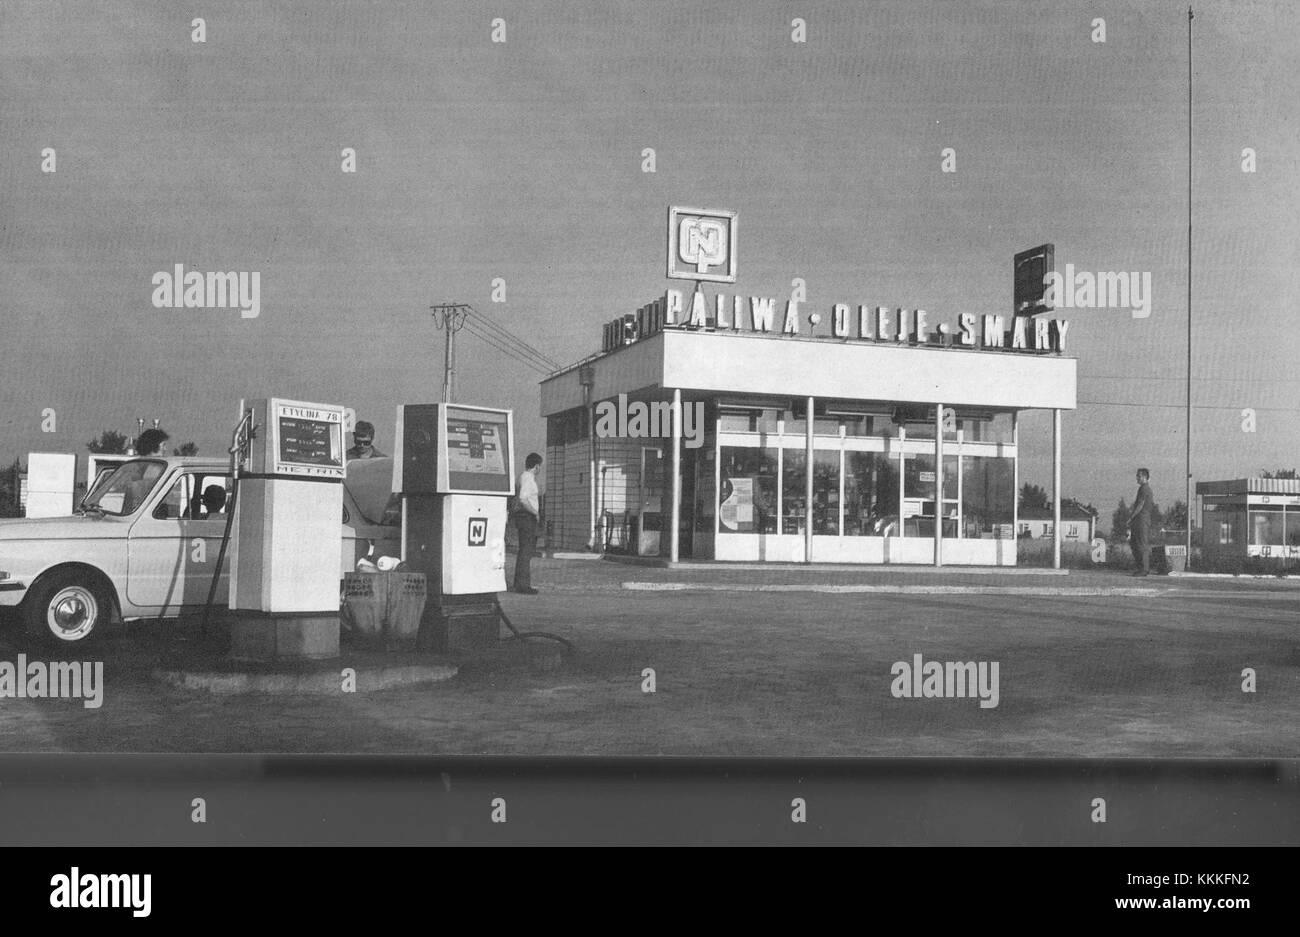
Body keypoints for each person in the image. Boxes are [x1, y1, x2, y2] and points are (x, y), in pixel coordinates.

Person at [512, 452, 543, 595]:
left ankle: (520, 582)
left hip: (523, 517)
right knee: (526, 551)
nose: (540, 469)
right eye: (539, 466)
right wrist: (534, 512)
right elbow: (523, 499)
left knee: (525, 550)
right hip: (527, 517)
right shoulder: (528, 479)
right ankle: (523, 585)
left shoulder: (523, 477)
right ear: (536, 466)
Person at [1128, 467, 1155, 576]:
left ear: (1144, 477)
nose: (1137, 478)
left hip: (1141, 520)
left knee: (1141, 544)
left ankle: (1144, 569)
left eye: (1138, 476)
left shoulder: (1144, 488)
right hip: (1140, 520)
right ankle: (1141, 568)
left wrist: (1131, 517)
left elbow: (1140, 504)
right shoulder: (1143, 488)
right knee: (1136, 543)